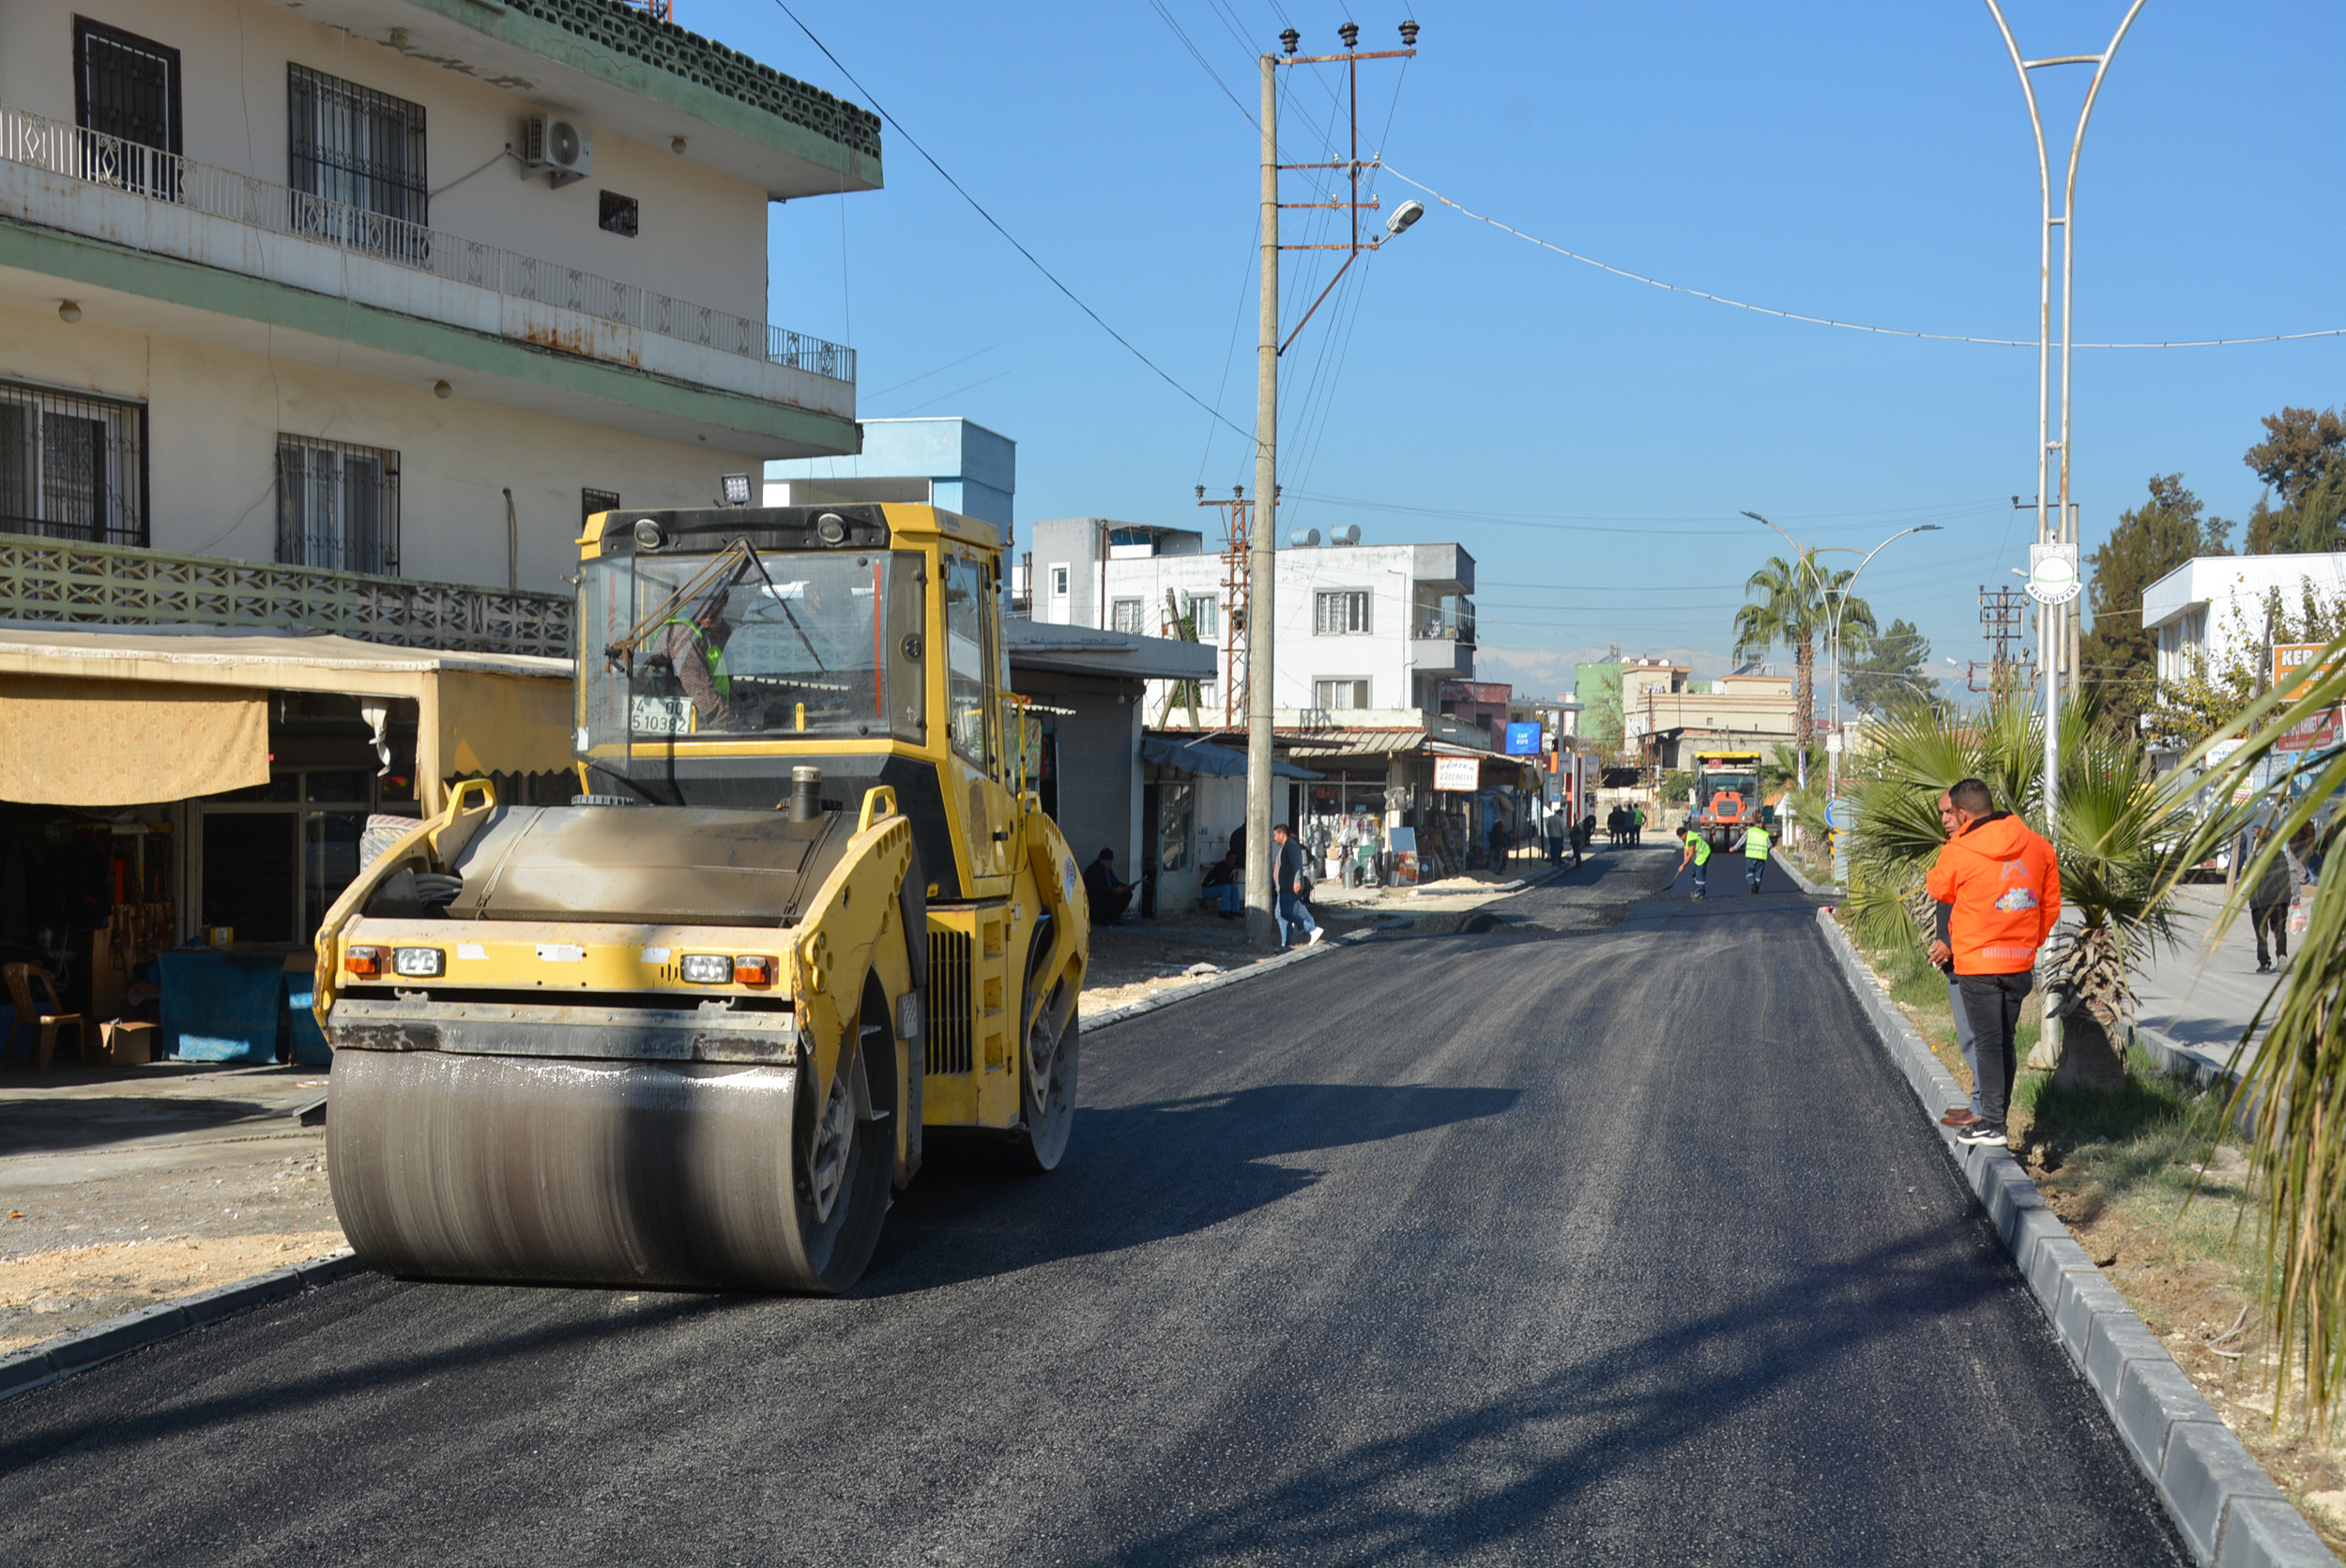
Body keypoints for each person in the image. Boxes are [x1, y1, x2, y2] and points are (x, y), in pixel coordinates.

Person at [1926, 776, 2061, 1148]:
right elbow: (2050, 904)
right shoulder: (2038, 846)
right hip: (2019, 963)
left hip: (1979, 964)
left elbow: (1938, 887)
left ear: (1964, 814)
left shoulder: (1960, 848)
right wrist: (2030, 941)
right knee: (2006, 1041)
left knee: (1988, 1042)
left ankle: (1993, 1123)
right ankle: (1993, 1117)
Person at [1927, 790, 1988, 1128]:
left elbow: (1974, 907)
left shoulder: (1974, 851)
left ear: (1966, 812)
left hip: (1973, 960)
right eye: (1942, 814)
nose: (1946, 820)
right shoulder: (1955, 850)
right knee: (1969, 1038)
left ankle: (1984, 1109)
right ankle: (1979, 1102)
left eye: (1950, 812)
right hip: (1958, 959)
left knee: (1981, 1038)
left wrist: (1950, 943)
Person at [2246, 826, 2297, 973]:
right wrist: (2296, 897)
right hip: (2280, 899)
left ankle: (2264, 963)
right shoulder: (2284, 855)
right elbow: (2293, 874)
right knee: (2280, 929)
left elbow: (2246, 875)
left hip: (2259, 900)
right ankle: (2282, 957)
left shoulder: (2254, 858)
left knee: (2261, 932)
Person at [1270, 822, 1323, 948]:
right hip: (1282, 887)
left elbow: (1297, 865)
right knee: (1280, 914)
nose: (1274, 838)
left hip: (1289, 887)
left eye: (1276, 835)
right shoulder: (1285, 846)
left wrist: (1297, 881)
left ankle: (1312, 929)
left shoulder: (1291, 846)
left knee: (1286, 913)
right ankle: (1286, 943)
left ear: (1282, 835)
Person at [1081, 847, 1135, 924]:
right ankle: (1103, 918)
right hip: (1098, 897)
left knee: (1127, 894)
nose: (1110, 864)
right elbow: (1095, 887)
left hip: (1109, 893)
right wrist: (1112, 890)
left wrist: (1126, 887)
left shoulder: (1108, 870)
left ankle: (1114, 916)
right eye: (1108, 862)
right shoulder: (1093, 869)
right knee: (1108, 897)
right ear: (1102, 860)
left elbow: (1115, 882)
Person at [1200, 844, 1244, 919]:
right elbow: (1222, 882)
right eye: (1230, 858)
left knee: (1234, 887)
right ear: (1226, 858)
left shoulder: (1230, 868)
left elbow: (1230, 882)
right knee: (1226, 888)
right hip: (1207, 890)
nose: (1231, 861)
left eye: (1233, 859)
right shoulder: (1220, 867)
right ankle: (1223, 911)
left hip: (1217, 888)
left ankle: (1235, 910)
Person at [1671, 824, 1712, 899]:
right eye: (1679, 837)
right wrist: (1685, 856)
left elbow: (1691, 854)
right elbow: (1685, 847)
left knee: (1699, 873)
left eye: (1681, 836)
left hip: (1704, 855)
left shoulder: (1692, 839)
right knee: (1694, 873)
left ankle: (1700, 892)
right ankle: (1698, 889)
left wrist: (1683, 865)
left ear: (1685, 833)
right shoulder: (1686, 838)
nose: (1681, 838)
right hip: (1697, 857)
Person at [1742, 817, 1772, 894]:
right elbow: (1769, 845)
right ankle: (1756, 888)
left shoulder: (1749, 832)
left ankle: (1752, 882)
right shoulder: (1765, 834)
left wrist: (1734, 848)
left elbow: (1741, 841)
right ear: (1761, 825)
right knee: (1759, 874)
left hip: (1751, 856)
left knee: (1749, 871)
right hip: (1761, 857)